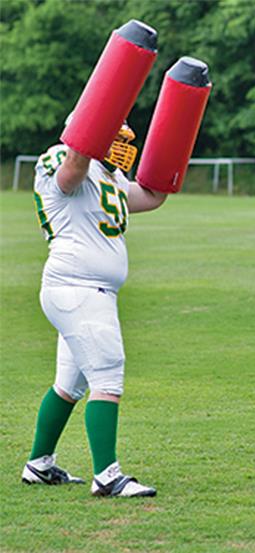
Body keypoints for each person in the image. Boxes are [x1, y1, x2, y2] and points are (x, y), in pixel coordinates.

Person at [23, 122, 166, 497]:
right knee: (108, 377)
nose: (121, 147)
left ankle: (39, 465)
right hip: (78, 287)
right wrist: (89, 131)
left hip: (88, 290)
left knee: (69, 385)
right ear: (90, 133)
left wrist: (172, 149)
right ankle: (107, 476)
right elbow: (71, 173)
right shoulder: (64, 161)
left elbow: (152, 196)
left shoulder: (108, 176)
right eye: (115, 138)